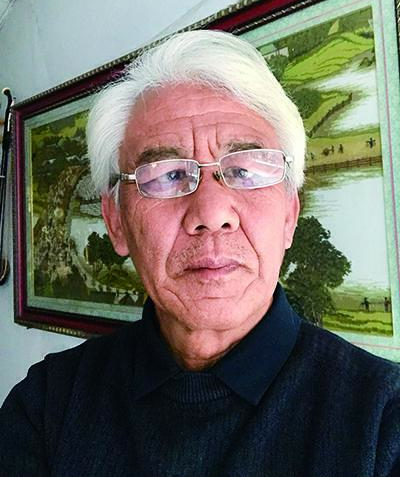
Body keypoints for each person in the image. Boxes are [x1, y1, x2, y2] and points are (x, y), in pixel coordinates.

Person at [1, 31, 399, 476]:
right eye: (167, 175)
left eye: (245, 170)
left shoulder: (383, 424)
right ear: (116, 223)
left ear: (290, 214)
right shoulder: (48, 404)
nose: (211, 213)